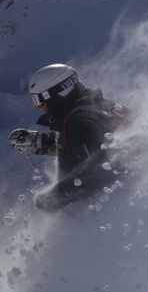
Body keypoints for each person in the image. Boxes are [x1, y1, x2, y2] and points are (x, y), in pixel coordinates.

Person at [8, 63, 128, 212]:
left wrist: (56, 196)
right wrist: (41, 142)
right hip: (104, 207)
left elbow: (104, 169)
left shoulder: (80, 120)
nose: (37, 107)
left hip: (104, 210)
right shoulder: (92, 108)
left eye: (38, 100)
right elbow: (81, 148)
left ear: (54, 95)